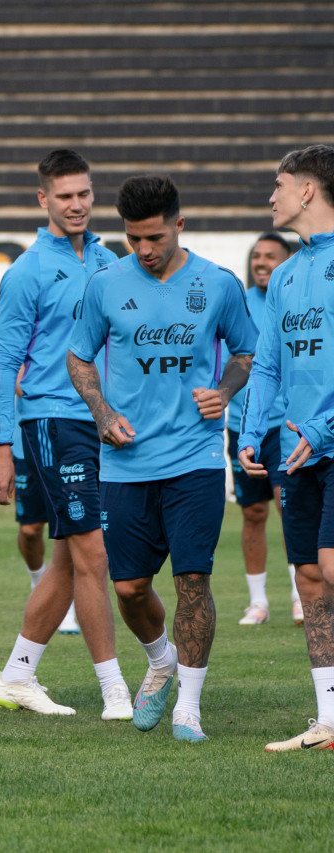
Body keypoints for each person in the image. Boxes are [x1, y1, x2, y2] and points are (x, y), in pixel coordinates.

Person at [68, 174, 256, 743]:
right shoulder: (104, 285)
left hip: (196, 457)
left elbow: (245, 352)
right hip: (125, 463)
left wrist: (224, 391)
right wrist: (101, 412)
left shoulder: (218, 285)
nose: (144, 250)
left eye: (154, 237)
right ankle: (160, 660)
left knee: (193, 581)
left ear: (180, 224)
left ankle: (189, 709)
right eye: (133, 239)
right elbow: (79, 359)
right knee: (128, 588)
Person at [0, 150, 130, 720]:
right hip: (50, 420)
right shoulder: (26, 272)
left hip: (101, 422)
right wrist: (1, 448)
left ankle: (17, 676)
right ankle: (116, 690)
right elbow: (5, 363)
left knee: (71, 559)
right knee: (93, 552)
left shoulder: (112, 262)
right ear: (43, 199)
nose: (76, 205)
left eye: (85, 194)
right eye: (64, 195)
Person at [239, 144, 334, 751]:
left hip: (326, 440)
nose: (270, 196)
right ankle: (328, 717)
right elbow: (269, 365)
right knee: (307, 577)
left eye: (278, 185)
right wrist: (252, 430)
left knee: (331, 567)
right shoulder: (290, 273)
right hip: (297, 449)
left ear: (307, 191)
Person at [227, 233, 300, 625]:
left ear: (287, 262)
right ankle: (258, 602)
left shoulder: (294, 301)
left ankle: (298, 594)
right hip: (243, 427)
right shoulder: (238, 304)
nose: (261, 262)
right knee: (253, 512)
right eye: (256, 256)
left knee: (288, 507)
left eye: (271, 256)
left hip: (286, 424)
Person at [13, 392, 78, 634]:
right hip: (28, 440)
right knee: (30, 530)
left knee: (72, 527)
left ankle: (65, 606)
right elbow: (19, 383)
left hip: (74, 439)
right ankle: (38, 582)